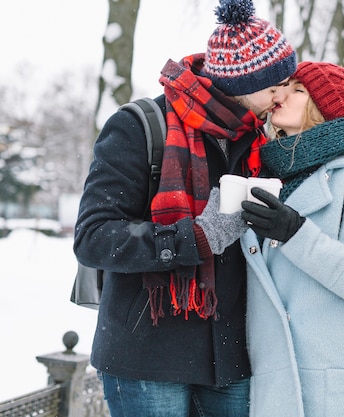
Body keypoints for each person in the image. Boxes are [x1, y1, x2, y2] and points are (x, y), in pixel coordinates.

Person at [72, 0, 296, 415]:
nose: (282, 97)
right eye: (274, 86)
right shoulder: (139, 126)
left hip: (234, 359)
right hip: (147, 357)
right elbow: (93, 238)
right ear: (242, 81)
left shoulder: (261, 142)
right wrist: (195, 237)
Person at [239, 62, 344, 417]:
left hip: (331, 388)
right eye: (284, 87)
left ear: (321, 110)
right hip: (270, 377)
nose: (281, 95)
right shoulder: (263, 174)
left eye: (297, 90)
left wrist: (295, 233)